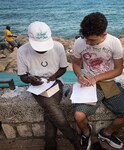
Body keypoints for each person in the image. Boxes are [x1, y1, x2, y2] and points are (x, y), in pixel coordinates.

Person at [72, 12, 124, 150]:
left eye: (92, 40)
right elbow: (76, 64)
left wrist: (96, 78)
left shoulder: (114, 42)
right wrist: (79, 75)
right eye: (86, 38)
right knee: (78, 115)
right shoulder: (79, 42)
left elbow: (119, 70)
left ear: (104, 34)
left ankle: (106, 133)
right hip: (89, 85)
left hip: (109, 83)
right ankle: (86, 132)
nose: (88, 43)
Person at [17, 21, 82, 150]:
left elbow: (63, 68)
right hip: (37, 86)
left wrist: (54, 76)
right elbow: (22, 76)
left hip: (55, 82)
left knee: (49, 109)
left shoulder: (57, 47)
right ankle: (73, 138)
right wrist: (31, 79)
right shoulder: (22, 51)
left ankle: (50, 143)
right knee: (50, 106)